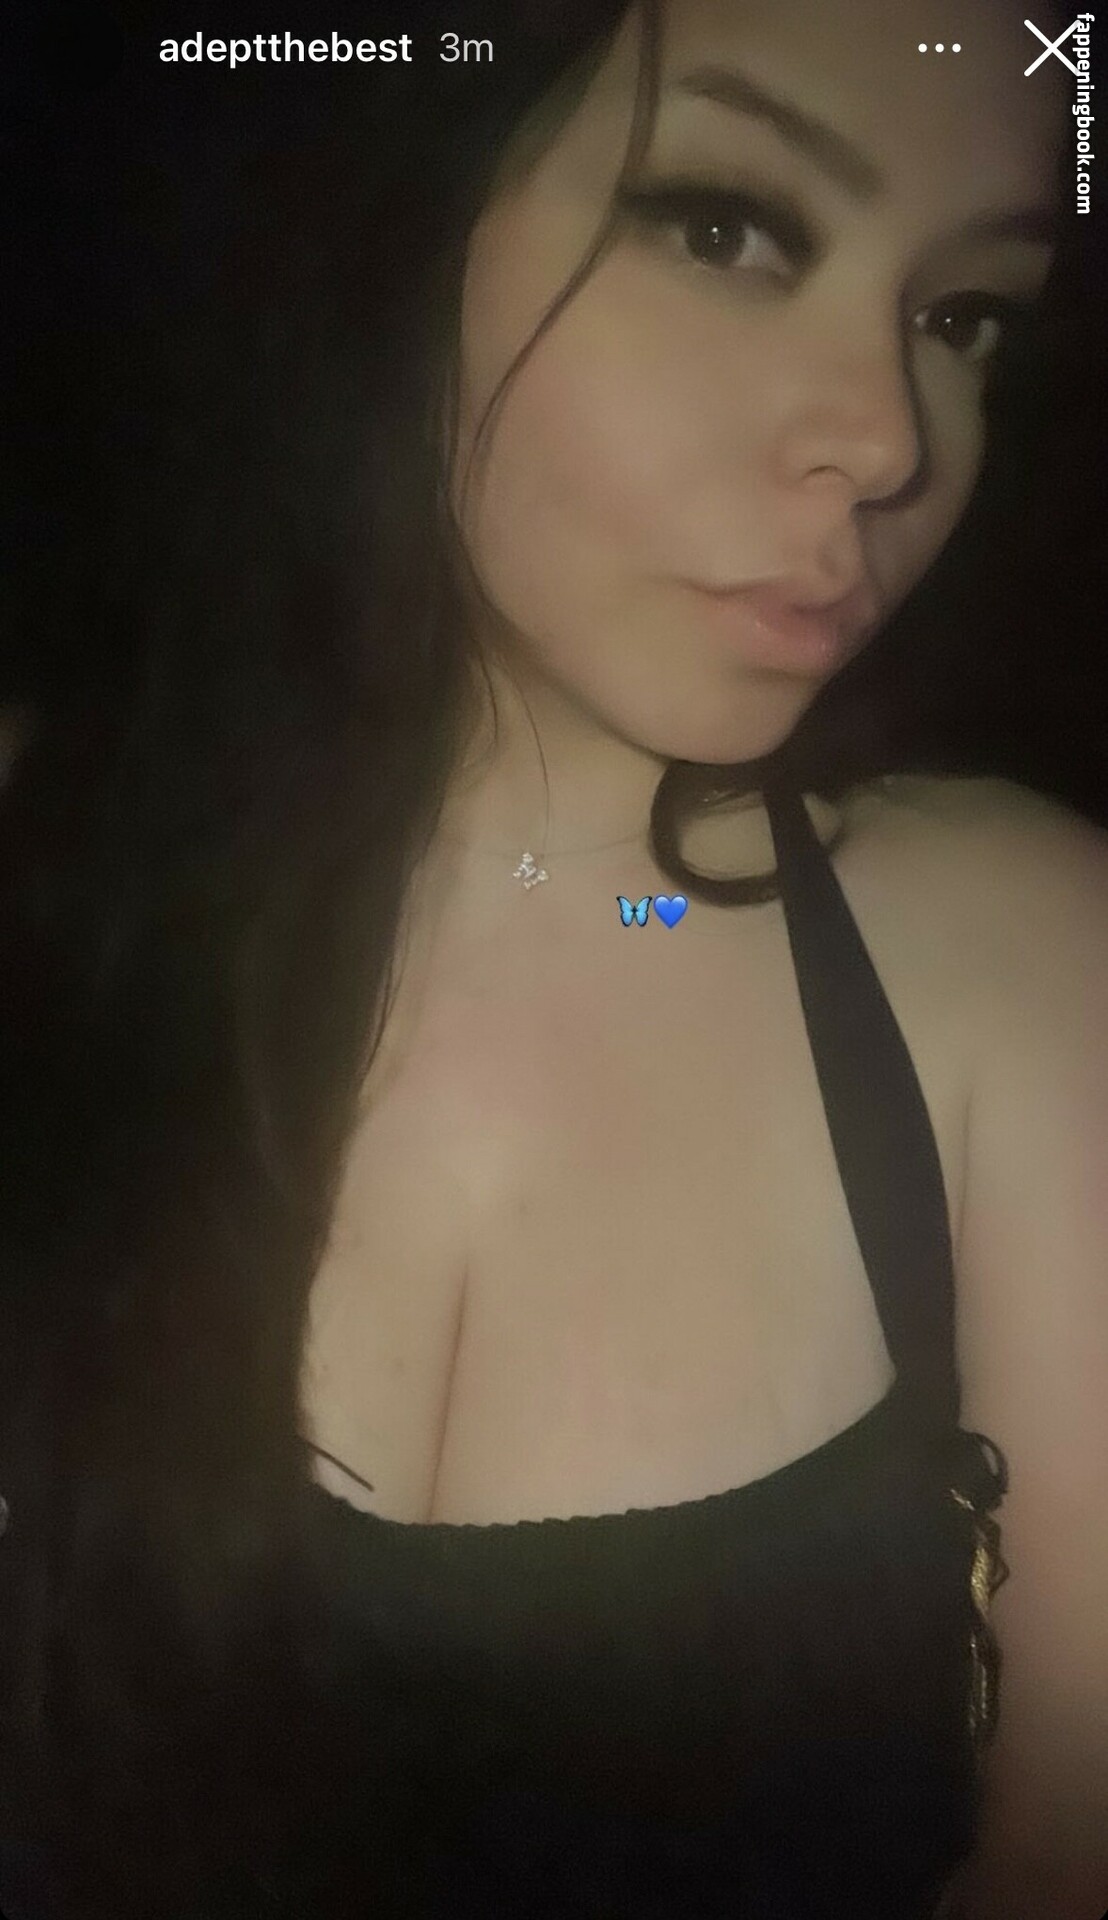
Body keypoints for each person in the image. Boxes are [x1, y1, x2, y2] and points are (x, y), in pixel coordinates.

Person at [0, 0, 1105, 1915]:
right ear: (399, 208)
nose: (890, 438)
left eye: (963, 316)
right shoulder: (43, 848)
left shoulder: (1021, 956)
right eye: (726, 226)